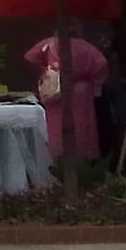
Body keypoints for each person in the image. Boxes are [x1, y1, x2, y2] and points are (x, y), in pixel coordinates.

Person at [21, 29, 110, 171]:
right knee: (81, 127)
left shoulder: (49, 43)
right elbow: (101, 65)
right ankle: (82, 164)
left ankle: (58, 161)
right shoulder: (86, 47)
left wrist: (45, 70)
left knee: (56, 128)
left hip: (55, 90)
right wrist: (94, 81)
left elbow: (30, 56)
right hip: (81, 92)